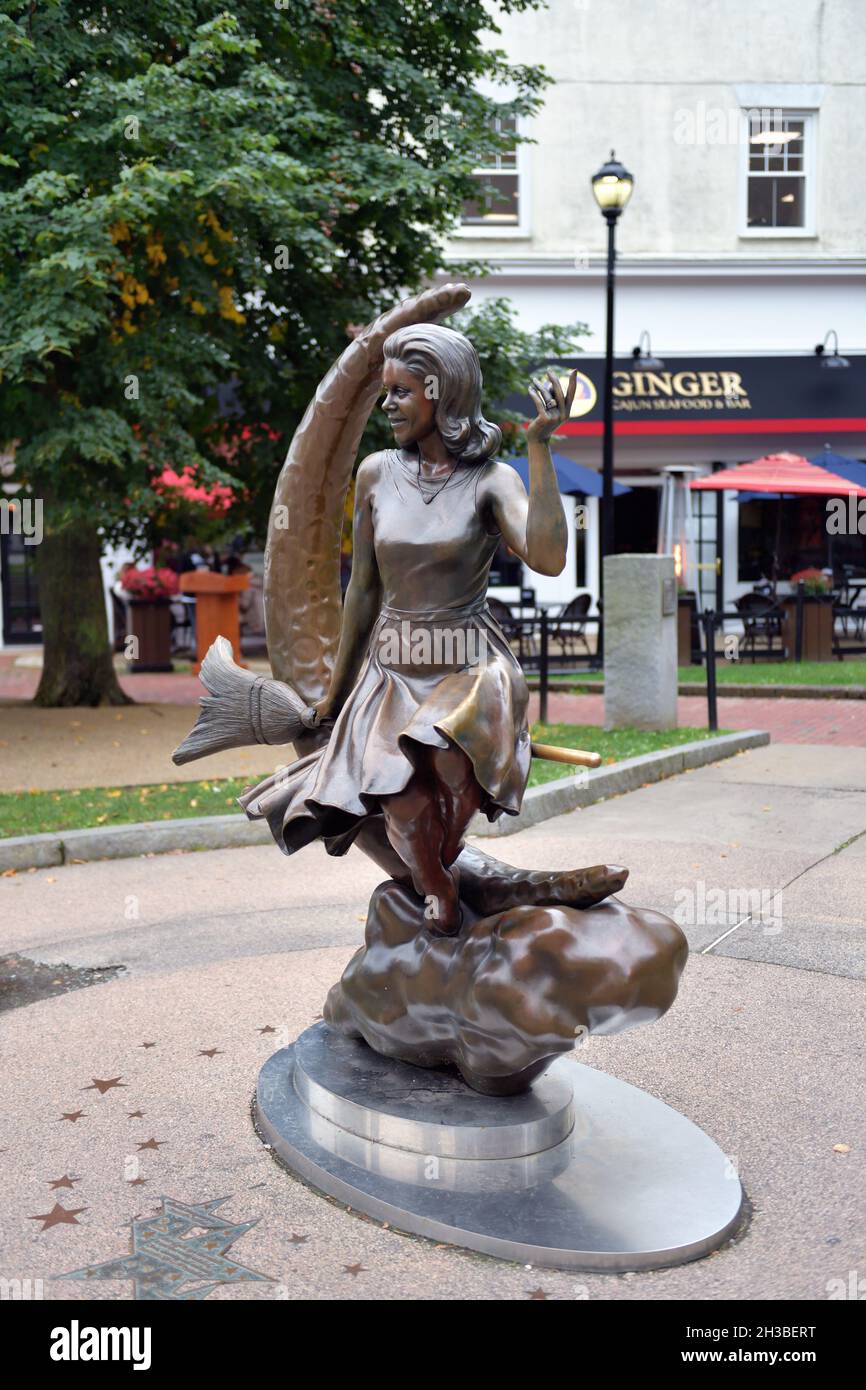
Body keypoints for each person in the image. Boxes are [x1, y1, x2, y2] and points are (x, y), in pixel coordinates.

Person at [240, 323, 623, 933]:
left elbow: (548, 557)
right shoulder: (375, 474)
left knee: (442, 753)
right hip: (393, 666)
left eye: (399, 392)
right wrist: (336, 697)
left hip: (468, 665)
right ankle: (438, 882)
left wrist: (541, 450)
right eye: (384, 391)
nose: (386, 405)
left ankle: (450, 872)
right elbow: (362, 589)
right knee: (396, 791)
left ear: (440, 392)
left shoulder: (494, 480)